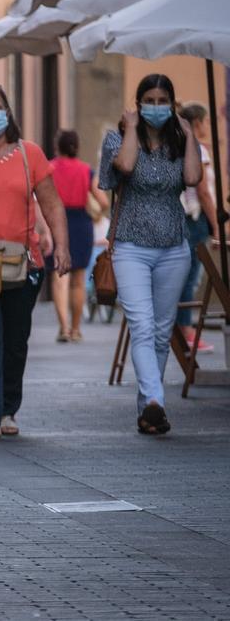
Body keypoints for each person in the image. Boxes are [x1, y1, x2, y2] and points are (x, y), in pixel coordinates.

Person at [0, 84, 71, 440]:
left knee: (15, 339)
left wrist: (63, 246)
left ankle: (9, 408)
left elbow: (52, 202)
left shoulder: (29, 154)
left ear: (8, 113)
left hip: (25, 262)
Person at [98, 73, 202, 435]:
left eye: (163, 101)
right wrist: (130, 128)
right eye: (150, 101)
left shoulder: (179, 140)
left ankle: (148, 410)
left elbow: (191, 179)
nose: (156, 107)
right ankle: (156, 399)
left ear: (172, 105)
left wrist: (189, 136)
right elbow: (124, 168)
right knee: (141, 326)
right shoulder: (117, 139)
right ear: (138, 104)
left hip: (174, 246)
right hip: (130, 245)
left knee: (160, 332)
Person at [49, 130, 105, 343]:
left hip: (57, 221)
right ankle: (75, 329)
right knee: (79, 279)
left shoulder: (50, 168)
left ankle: (63, 327)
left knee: (59, 277)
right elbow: (103, 202)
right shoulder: (86, 170)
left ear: (57, 147)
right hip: (82, 223)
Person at [177, 102, 219, 353]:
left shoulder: (181, 146)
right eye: (205, 121)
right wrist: (216, 224)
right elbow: (203, 191)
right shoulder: (198, 150)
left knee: (185, 274)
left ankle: (183, 329)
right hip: (195, 218)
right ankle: (186, 331)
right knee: (191, 276)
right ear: (196, 123)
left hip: (184, 216)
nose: (207, 126)